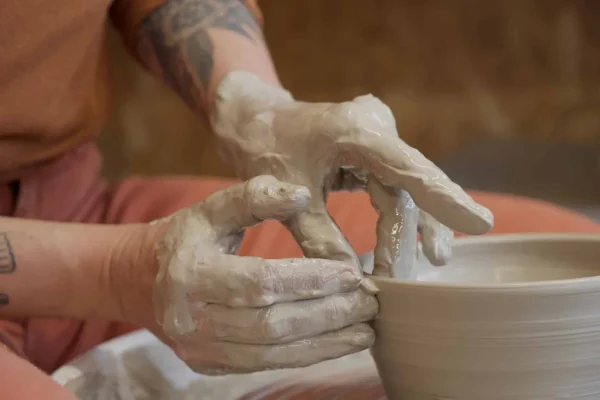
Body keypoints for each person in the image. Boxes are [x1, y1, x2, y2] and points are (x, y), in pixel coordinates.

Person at [0, 1, 598, 398]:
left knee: (570, 252)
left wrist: (256, 110)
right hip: (63, 257)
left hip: (69, 201)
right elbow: (116, 267)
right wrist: (116, 269)